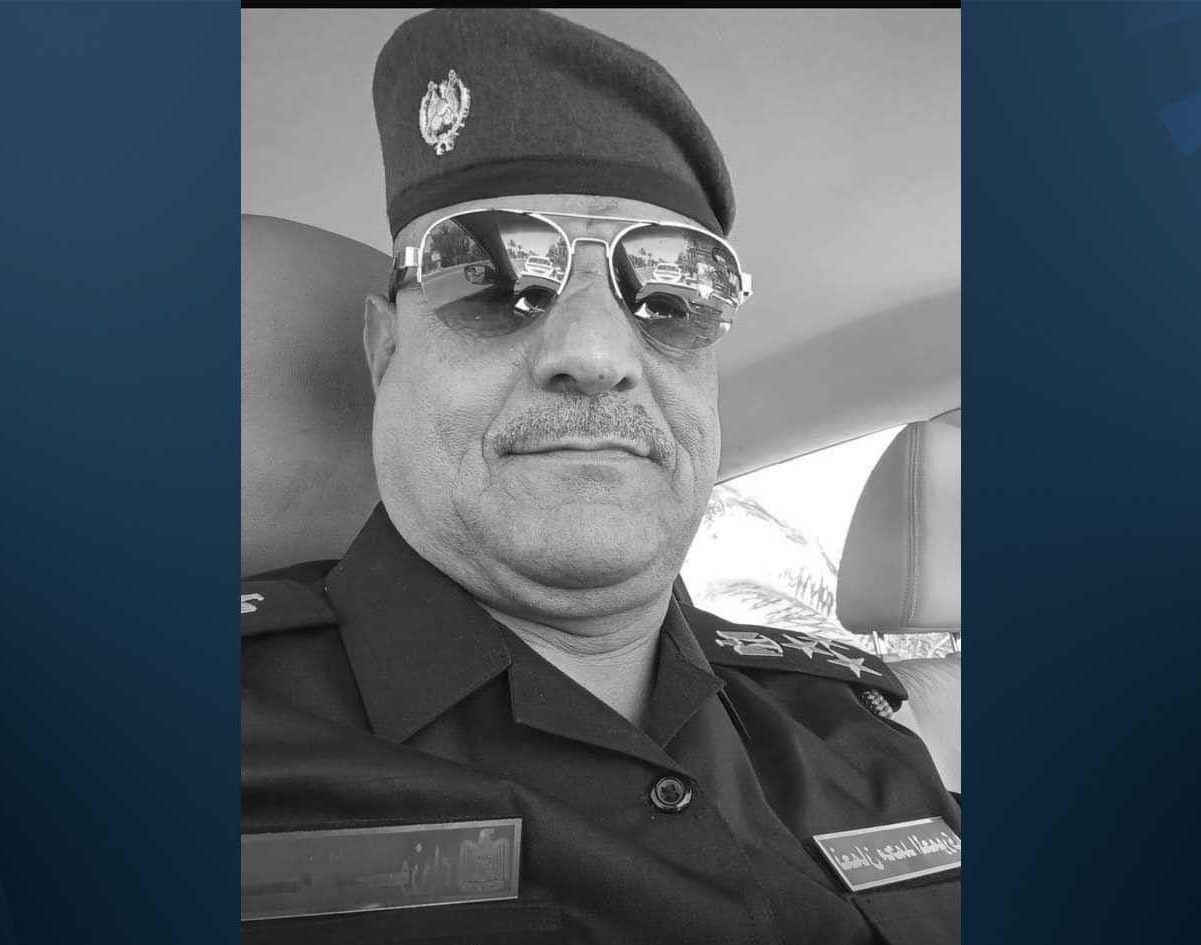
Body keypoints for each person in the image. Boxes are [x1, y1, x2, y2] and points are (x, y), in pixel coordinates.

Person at [241, 10, 959, 944]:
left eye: (674, 291)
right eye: (490, 275)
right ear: (384, 354)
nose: (593, 352)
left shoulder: (856, 730)